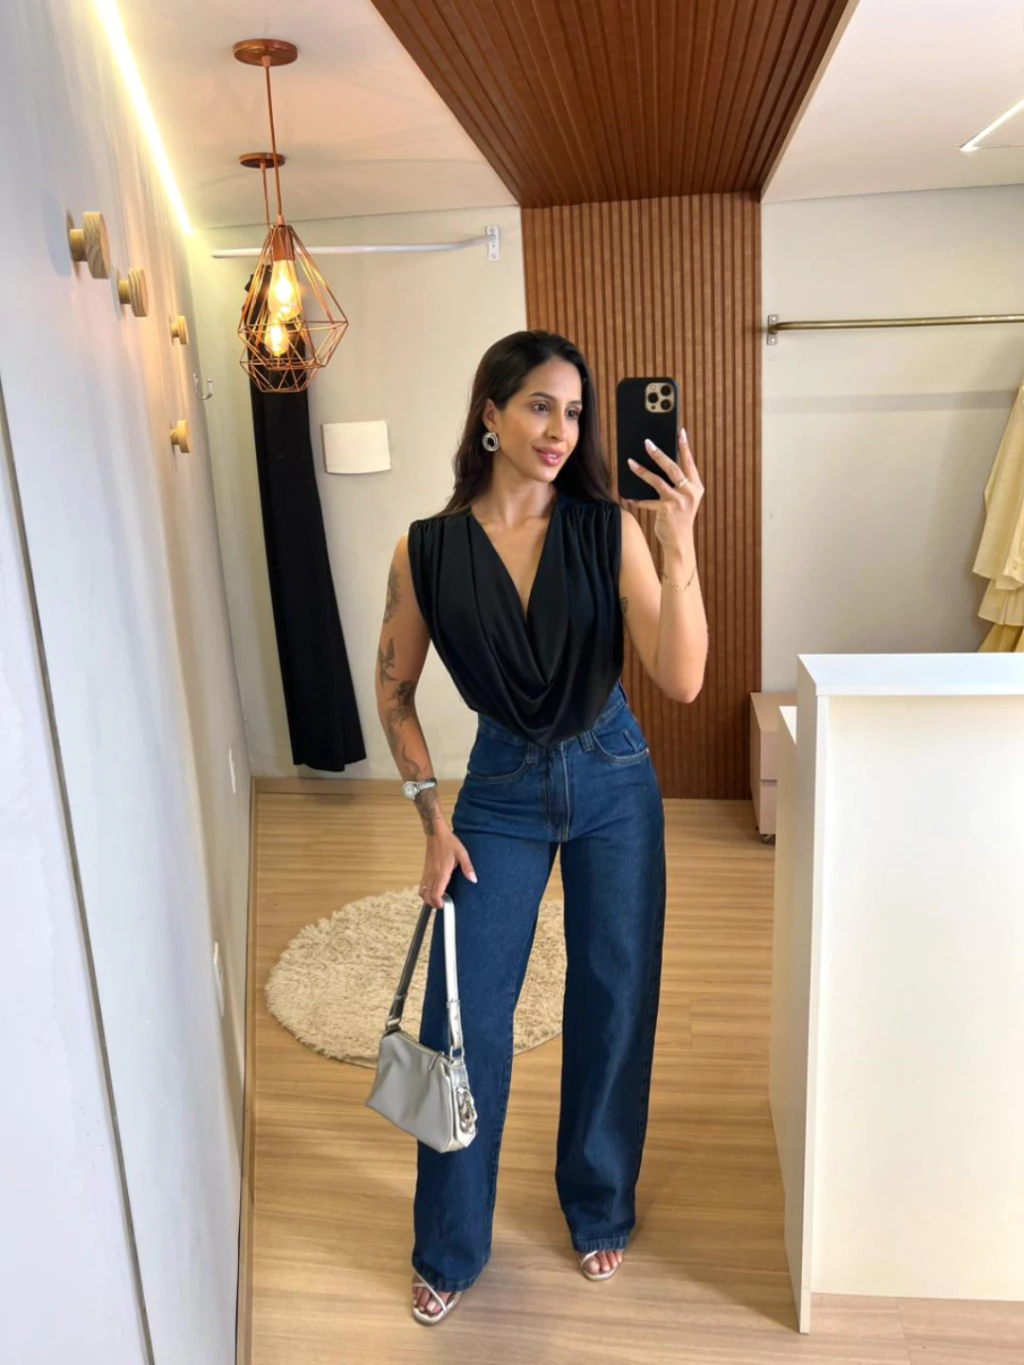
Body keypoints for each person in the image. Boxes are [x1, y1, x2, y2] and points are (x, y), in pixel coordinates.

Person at [374, 329, 707, 1325]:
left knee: (614, 1000)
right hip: (499, 790)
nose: (560, 429)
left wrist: (679, 542)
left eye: (574, 412)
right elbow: (393, 691)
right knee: (461, 1018)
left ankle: (599, 1205)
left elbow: (682, 677)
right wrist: (430, 818)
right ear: (490, 413)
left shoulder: (606, 530)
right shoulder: (425, 550)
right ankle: (448, 1245)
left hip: (613, 776)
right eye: (538, 406)